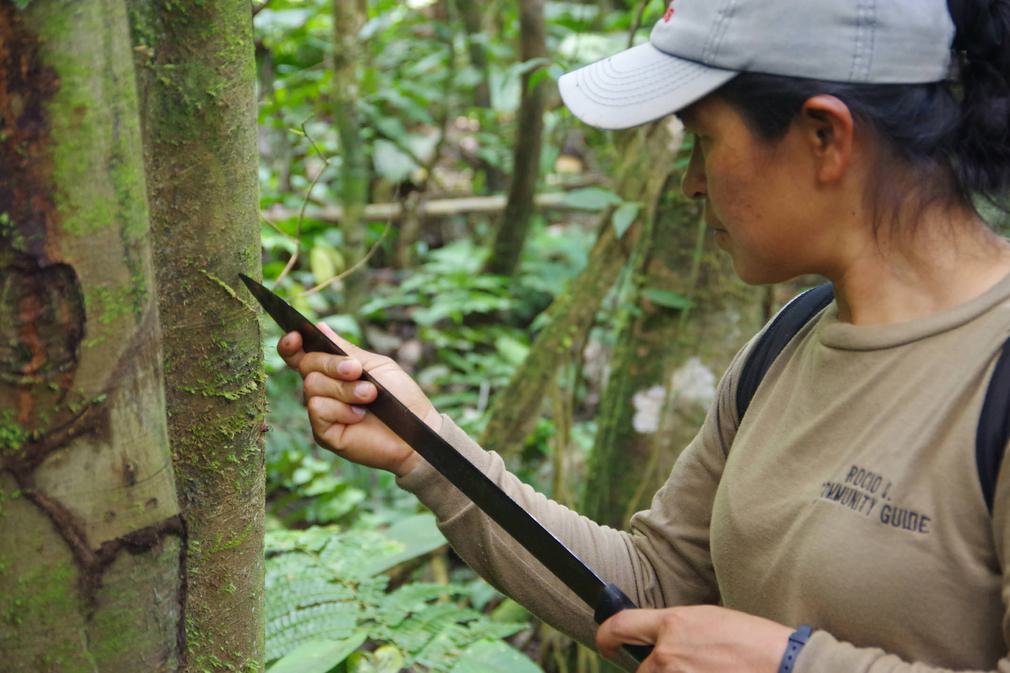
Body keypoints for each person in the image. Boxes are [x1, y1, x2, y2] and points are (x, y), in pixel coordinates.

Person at [278, 0, 1010, 670]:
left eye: (701, 140)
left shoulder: (993, 373)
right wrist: (427, 445)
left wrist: (789, 664)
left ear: (826, 137)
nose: (691, 182)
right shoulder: (785, 344)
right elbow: (655, 583)